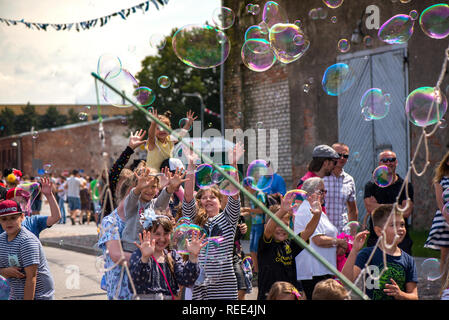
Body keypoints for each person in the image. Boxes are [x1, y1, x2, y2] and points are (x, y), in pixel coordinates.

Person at [181, 142, 244, 300]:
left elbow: (234, 194)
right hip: (199, 286)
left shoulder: (228, 219)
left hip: (225, 289)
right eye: (203, 197)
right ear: (199, 201)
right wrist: (190, 164)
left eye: (212, 197)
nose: (207, 200)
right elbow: (187, 198)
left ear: (220, 199)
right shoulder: (194, 220)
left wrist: (233, 163)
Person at [341, 204, 418, 300]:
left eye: (402, 224)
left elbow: (414, 296)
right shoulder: (368, 254)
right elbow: (346, 280)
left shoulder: (408, 260)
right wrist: (354, 250)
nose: (400, 228)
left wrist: (400, 294)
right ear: (379, 231)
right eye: (393, 225)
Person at [257, 191, 322, 300]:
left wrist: (317, 215)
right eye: (277, 224)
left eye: (285, 225)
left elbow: (308, 231)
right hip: (269, 296)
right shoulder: (266, 244)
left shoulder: (291, 244)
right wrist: (282, 210)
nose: (281, 228)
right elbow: (269, 230)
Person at [294, 177, 347, 300]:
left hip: (322, 268)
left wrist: (337, 245)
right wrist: (339, 242)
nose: (324, 195)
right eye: (322, 191)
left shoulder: (318, 211)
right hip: (314, 270)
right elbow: (317, 240)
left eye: (325, 191)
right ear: (311, 193)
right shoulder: (308, 210)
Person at [129, 217, 204, 300]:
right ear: (148, 234)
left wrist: (193, 257)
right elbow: (135, 283)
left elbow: (187, 280)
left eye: (166, 233)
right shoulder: (138, 254)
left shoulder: (172, 256)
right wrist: (145, 258)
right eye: (157, 234)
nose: (162, 238)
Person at [121, 166, 185, 253]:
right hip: (130, 249)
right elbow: (133, 196)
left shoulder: (155, 204)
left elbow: (164, 198)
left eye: (153, 186)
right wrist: (138, 188)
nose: (149, 190)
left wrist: (171, 187)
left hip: (150, 250)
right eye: (146, 186)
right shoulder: (132, 204)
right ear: (138, 185)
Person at [0, 200, 55, 300]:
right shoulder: (1, 240)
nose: (8, 222)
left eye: (13, 218)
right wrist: (3, 270)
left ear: (22, 217)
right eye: (4, 219)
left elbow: (31, 278)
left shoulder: (27, 241)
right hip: (16, 295)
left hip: (39, 296)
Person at [363, 150, 414, 255]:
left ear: (396, 162)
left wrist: (378, 207)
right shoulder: (371, 186)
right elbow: (369, 208)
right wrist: (397, 206)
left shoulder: (405, 186)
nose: (388, 162)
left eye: (392, 160)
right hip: (376, 238)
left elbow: (407, 211)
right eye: (384, 160)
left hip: (400, 239)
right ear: (379, 164)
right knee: (376, 270)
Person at [97, 169, 138, 300]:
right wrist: (148, 258)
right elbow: (116, 255)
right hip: (121, 292)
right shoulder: (110, 221)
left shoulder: (142, 218)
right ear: (130, 192)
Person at [103, 129, 148, 218]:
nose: (124, 186)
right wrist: (130, 149)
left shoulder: (135, 198)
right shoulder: (111, 196)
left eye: (127, 183)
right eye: (122, 182)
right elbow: (115, 170)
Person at [240, 178, 278, 281]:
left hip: (260, 225)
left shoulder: (259, 194)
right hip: (254, 224)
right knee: (252, 249)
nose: (245, 190)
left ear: (249, 186)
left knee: (256, 249)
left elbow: (262, 210)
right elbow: (255, 211)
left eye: (246, 188)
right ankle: (256, 272)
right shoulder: (253, 195)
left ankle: (260, 272)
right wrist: (246, 212)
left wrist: (248, 209)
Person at [323, 142, 358, 233]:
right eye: (338, 155)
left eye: (345, 156)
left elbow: (353, 210)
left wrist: (352, 234)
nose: (342, 158)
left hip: (342, 232)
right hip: (322, 231)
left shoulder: (349, 179)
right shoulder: (321, 177)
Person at [425, 150, 449, 273]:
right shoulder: (440, 180)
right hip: (445, 220)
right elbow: (440, 203)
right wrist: (447, 218)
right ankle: (444, 288)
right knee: (444, 254)